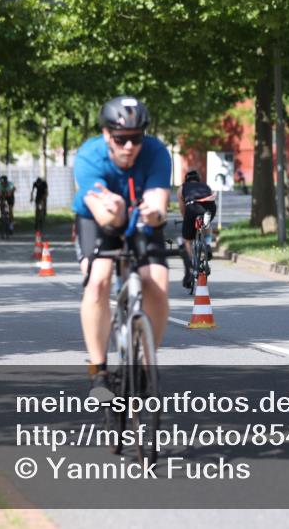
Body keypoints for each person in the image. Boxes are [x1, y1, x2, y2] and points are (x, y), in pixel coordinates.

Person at [72, 96, 172, 400]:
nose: (129, 146)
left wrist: (154, 214)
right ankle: (98, 371)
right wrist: (116, 209)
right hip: (98, 221)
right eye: (121, 139)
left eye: (136, 138)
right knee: (99, 279)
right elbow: (104, 216)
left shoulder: (156, 153)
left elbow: (158, 206)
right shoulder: (89, 156)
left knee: (156, 281)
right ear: (106, 136)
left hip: (141, 218)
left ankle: (145, 366)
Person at [176, 169, 217, 290]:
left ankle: (192, 265)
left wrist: (187, 221)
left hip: (192, 207)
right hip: (210, 207)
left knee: (187, 239)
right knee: (207, 223)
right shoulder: (205, 186)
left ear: (186, 179)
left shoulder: (182, 188)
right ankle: (208, 244)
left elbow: (183, 208)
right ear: (198, 179)